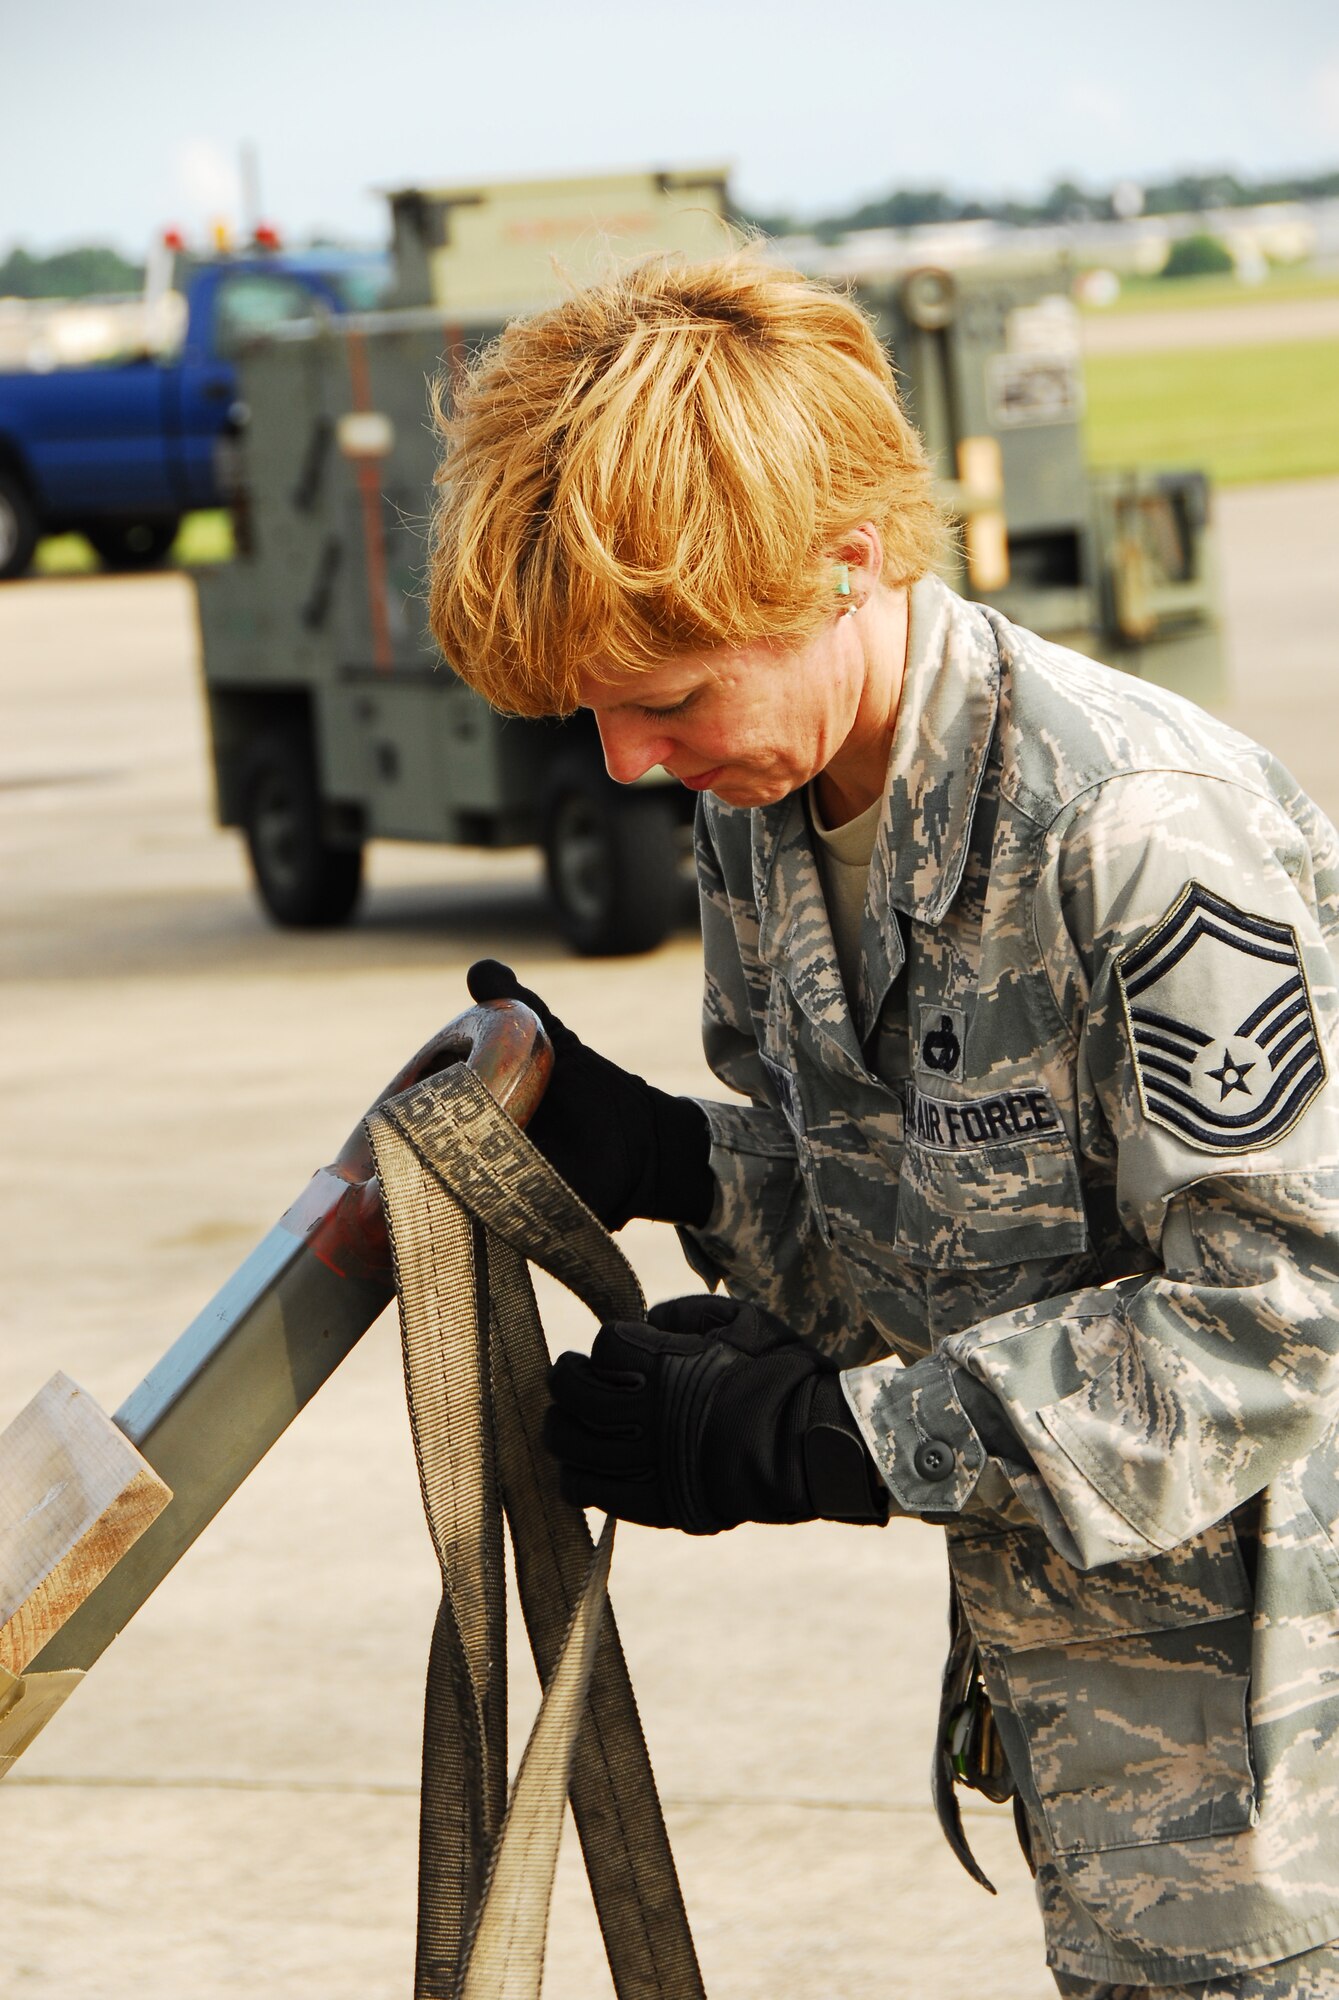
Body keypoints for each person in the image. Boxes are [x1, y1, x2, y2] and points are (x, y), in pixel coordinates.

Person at [427, 250, 1339, 1999]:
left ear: (849, 560)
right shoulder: (771, 803)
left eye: (668, 695)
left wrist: (829, 1443)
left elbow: (1278, 1317)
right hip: (1093, 1703)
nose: (627, 762)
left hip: (1277, 1756)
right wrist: (664, 1165)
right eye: (594, 711)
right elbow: (911, 1228)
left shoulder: (1138, 830)